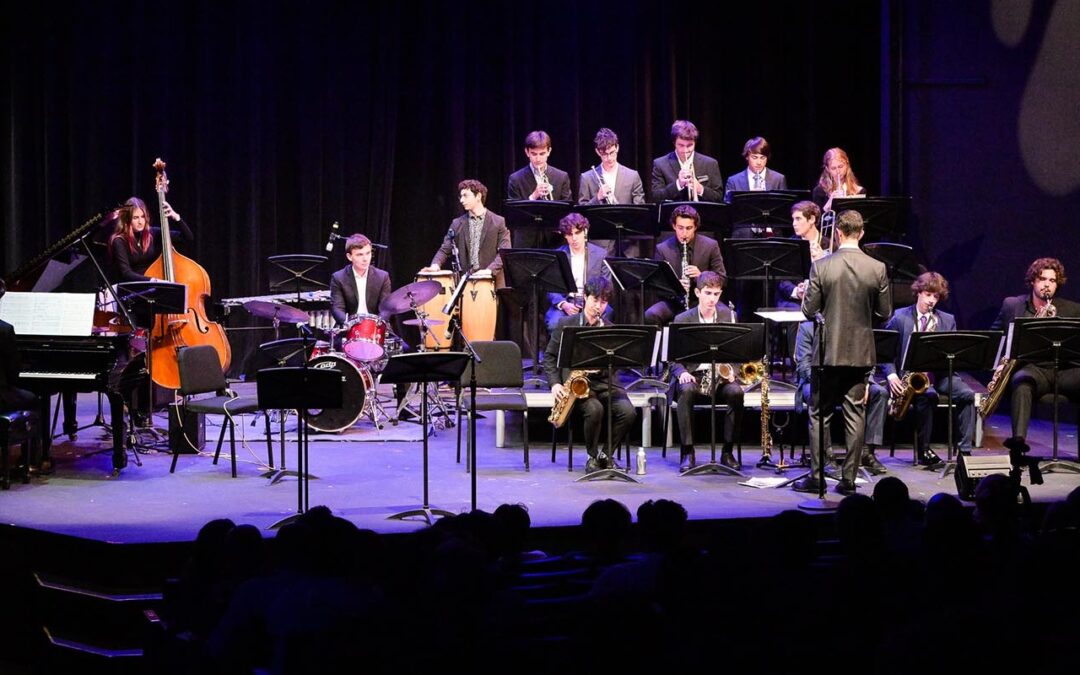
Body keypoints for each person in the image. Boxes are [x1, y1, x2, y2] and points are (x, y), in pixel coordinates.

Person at [794, 210, 891, 495]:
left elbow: (808, 311)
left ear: (838, 232)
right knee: (854, 414)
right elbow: (885, 313)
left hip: (826, 354)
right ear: (861, 233)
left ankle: (817, 476)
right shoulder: (877, 268)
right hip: (860, 353)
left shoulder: (822, 267)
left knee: (818, 414)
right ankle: (848, 480)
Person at [883, 272, 976, 468]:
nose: (931, 300)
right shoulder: (900, 317)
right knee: (928, 396)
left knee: (967, 395)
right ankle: (924, 450)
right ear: (918, 292)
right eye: (927, 294)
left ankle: (965, 451)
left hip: (940, 375)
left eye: (935, 296)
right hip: (911, 379)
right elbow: (884, 353)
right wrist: (891, 375)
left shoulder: (947, 320)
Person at [544, 276, 634, 473]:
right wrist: (555, 384)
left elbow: (617, 364)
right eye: (595, 300)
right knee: (595, 410)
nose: (598, 307)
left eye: (603, 302)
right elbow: (549, 357)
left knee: (628, 412)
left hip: (604, 383)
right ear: (585, 297)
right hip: (578, 387)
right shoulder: (567, 324)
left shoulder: (609, 329)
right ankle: (592, 457)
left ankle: (606, 455)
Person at [990, 258, 1080, 452]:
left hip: (1064, 370)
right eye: (1042, 279)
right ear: (1033, 281)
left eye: (1052, 280)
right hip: (1033, 370)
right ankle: (1018, 443)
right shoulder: (1012, 305)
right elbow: (996, 338)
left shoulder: (1073, 309)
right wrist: (999, 365)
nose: (1047, 284)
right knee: (1021, 383)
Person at [793, 320, 889, 476]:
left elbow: (867, 359)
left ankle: (866, 452)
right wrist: (828, 384)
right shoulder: (807, 328)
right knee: (818, 397)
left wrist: (865, 382)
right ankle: (826, 456)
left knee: (879, 393)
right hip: (817, 381)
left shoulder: (851, 326)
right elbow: (804, 365)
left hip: (850, 381)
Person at [669, 272, 743, 471]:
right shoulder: (683, 318)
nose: (712, 299)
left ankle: (727, 452)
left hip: (719, 376)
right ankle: (687, 451)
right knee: (686, 390)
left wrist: (732, 372)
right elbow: (672, 358)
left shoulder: (728, 315)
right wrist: (681, 372)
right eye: (708, 293)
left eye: (716, 294)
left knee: (736, 393)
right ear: (697, 292)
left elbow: (737, 352)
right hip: (693, 375)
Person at [644, 205, 726, 325]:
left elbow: (722, 278)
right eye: (680, 228)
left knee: (727, 313)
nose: (684, 233)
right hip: (674, 301)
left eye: (689, 228)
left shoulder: (710, 246)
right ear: (674, 226)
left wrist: (701, 277)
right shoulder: (662, 249)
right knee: (651, 314)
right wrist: (676, 286)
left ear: (695, 227)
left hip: (703, 300)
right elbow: (657, 286)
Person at [422, 179, 511, 280]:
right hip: (466, 282)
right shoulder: (457, 223)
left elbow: (505, 252)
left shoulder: (498, 222)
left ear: (478, 196)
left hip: (491, 282)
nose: (461, 200)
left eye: (465, 196)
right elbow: (445, 249)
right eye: (461, 196)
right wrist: (435, 265)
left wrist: (489, 271)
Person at [544, 213, 610, 333]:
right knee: (554, 323)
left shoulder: (601, 254)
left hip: (593, 301)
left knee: (605, 318)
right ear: (565, 236)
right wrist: (563, 304)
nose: (574, 238)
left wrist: (592, 303)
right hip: (567, 302)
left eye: (577, 233)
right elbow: (550, 286)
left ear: (585, 232)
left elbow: (606, 285)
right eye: (569, 234)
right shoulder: (558, 255)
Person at [507, 130, 572, 249]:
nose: (538, 159)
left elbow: (567, 209)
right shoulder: (515, 179)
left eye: (542, 154)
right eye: (534, 154)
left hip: (555, 241)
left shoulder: (561, 177)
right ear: (527, 152)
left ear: (549, 151)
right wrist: (533, 196)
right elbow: (514, 216)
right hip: (526, 243)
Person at [109, 196, 193, 283]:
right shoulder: (120, 240)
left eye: (143, 217)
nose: (140, 221)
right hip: (133, 288)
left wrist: (176, 217)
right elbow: (126, 273)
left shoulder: (152, 233)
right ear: (127, 219)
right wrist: (153, 280)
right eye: (135, 218)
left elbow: (187, 237)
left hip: (154, 285)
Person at [724, 136, 789, 238]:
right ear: (747, 156)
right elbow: (728, 213)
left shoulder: (778, 179)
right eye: (754, 157)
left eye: (762, 158)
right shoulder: (734, 181)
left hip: (772, 236)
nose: (759, 162)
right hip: (743, 237)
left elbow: (784, 212)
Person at [649, 120, 723, 203]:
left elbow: (719, 197)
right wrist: (678, 184)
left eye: (690, 145)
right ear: (674, 143)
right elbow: (655, 197)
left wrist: (699, 188)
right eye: (681, 145)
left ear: (695, 142)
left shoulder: (710, 164)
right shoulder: (660, 164)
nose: (685, 150)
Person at [329, 233, 392, 326]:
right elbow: (337, 308)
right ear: (349, 257)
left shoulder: (382, 277)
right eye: (359, 255)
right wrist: (349, 324)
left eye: (368, 253)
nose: (365, 259)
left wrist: (376, 325)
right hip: (349, 327)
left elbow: (386, 309)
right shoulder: (338, 277)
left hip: (376, 327)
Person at [578, 128, 645, 206]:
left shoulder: (632, 176)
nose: (609, 158)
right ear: (597, 152)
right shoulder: (586, 178)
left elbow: (640, 210)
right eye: (604, 154)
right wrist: (597, 198)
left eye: (612, 152)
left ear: (617, 148)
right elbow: (581, 211)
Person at [811, 147, 866, 211]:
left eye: (840, 166)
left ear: (847, 165)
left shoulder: (859, 191)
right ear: (827, 169)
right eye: (833, 168)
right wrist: (830, 202)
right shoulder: (819, 191)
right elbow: (817, 218)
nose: (838, 171)